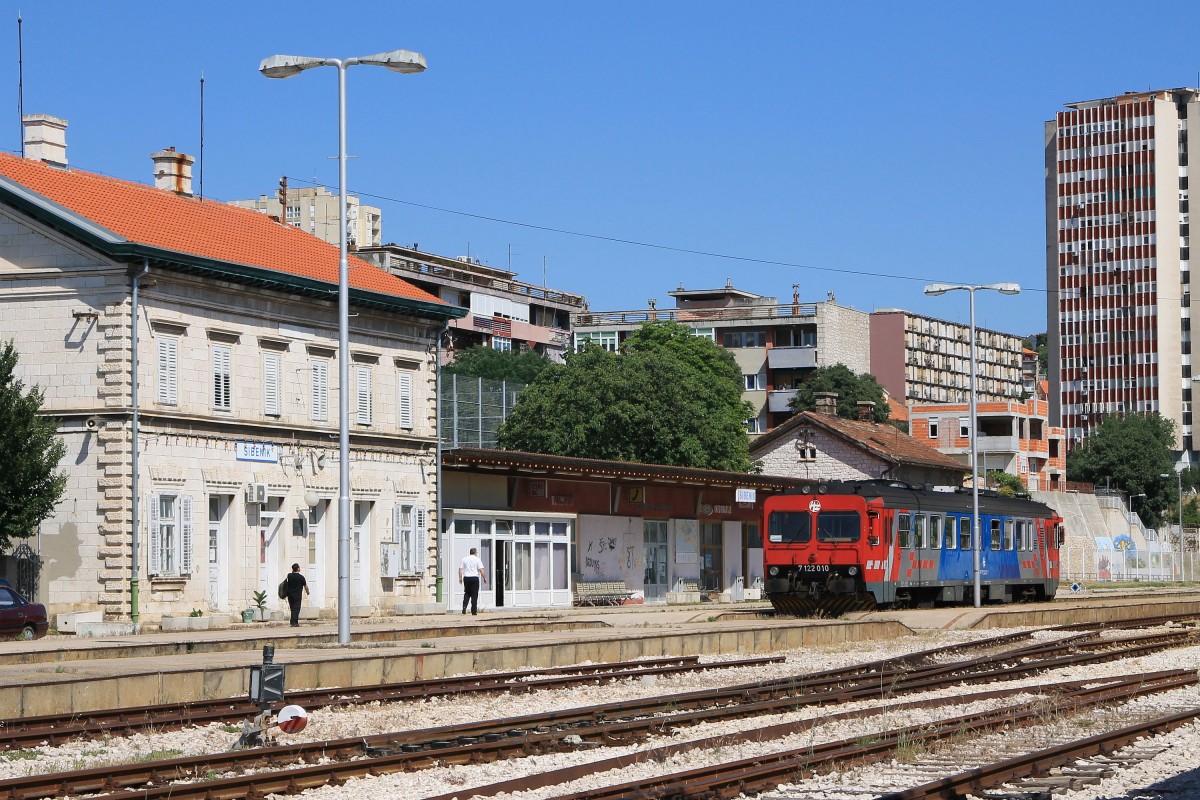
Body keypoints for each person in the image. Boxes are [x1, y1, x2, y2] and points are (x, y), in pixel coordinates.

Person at [458, 547, 486, 615]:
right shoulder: (477, 559)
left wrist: (460, 578)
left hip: (466, 577)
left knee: (467, 593)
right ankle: (473, 611)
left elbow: (460, 569)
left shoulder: (464, 559)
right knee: (474, 594)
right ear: (475, 552)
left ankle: (464, 607)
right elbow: (481, 570)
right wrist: (484, 577)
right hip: (474, 578)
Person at [284, 563, 309, 627]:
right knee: (296, 609)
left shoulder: (289, 576)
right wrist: (307, 592)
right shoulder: (301, 577)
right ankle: (294, 623)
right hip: (297, 596)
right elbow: (305, 586)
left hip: (290, 595)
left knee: (292, 609)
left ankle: (293, 622)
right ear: (298, 569)